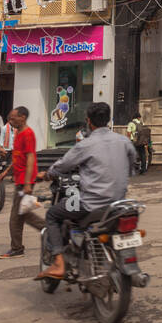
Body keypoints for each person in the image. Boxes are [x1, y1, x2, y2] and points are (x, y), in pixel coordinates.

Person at [36, 101, 135, 281]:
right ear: (108, 119)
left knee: (52, 214)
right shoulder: (124, 141)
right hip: (118, 203)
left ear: (89, 121)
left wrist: (47, 174)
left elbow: (64, 164)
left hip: (91, 204)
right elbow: (131, 164)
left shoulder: (86, 144)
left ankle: (58, 263)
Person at [0, 106, 43, 258]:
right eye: (9, 118)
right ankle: (51, 230)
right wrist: (5, 172)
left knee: (16, 216)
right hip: (20, 179)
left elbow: (30, 158)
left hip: (25, 181)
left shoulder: (28, 134)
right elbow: (17, 157)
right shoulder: (18, 133)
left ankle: (17, 248)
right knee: (23, 214)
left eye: (13, 118)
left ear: (22, 117)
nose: (10, 121)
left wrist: (29, 183)